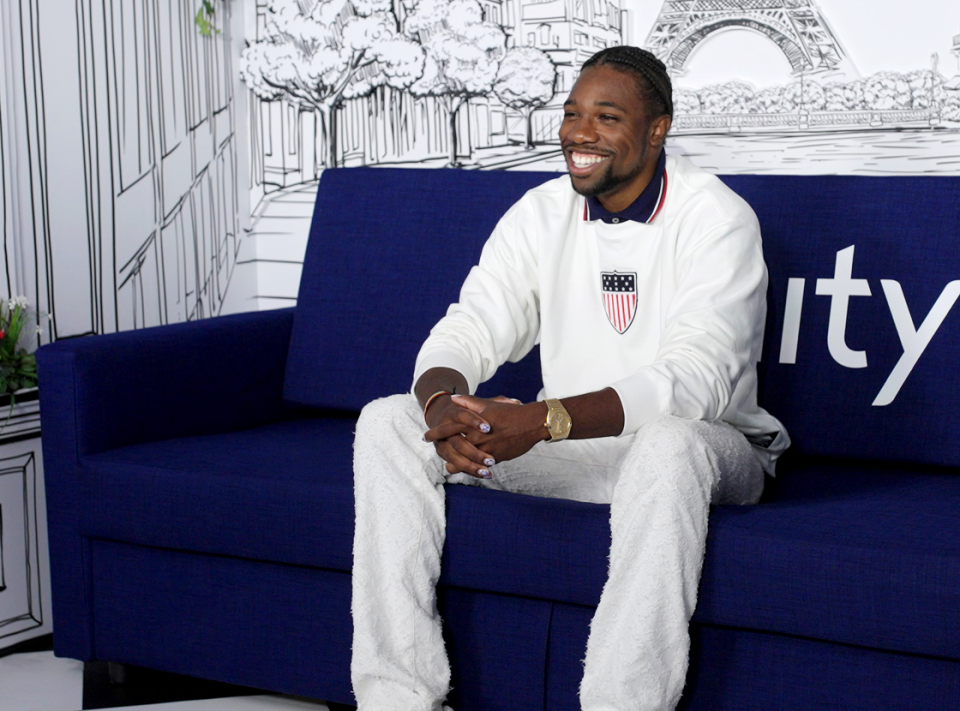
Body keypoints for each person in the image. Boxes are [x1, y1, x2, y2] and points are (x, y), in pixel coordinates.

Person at [350, 46, 788, 711]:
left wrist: (544, 418)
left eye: (607, 117)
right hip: (573, 449)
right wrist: (442, 404)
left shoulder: (717, 218)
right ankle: (398, 698)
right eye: (572, 113)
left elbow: (696, 382)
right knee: (389, 421)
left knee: (669, 442)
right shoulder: (540, 212)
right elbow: (472, 325)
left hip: (707, 452)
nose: (580, 133)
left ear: (657, 129)